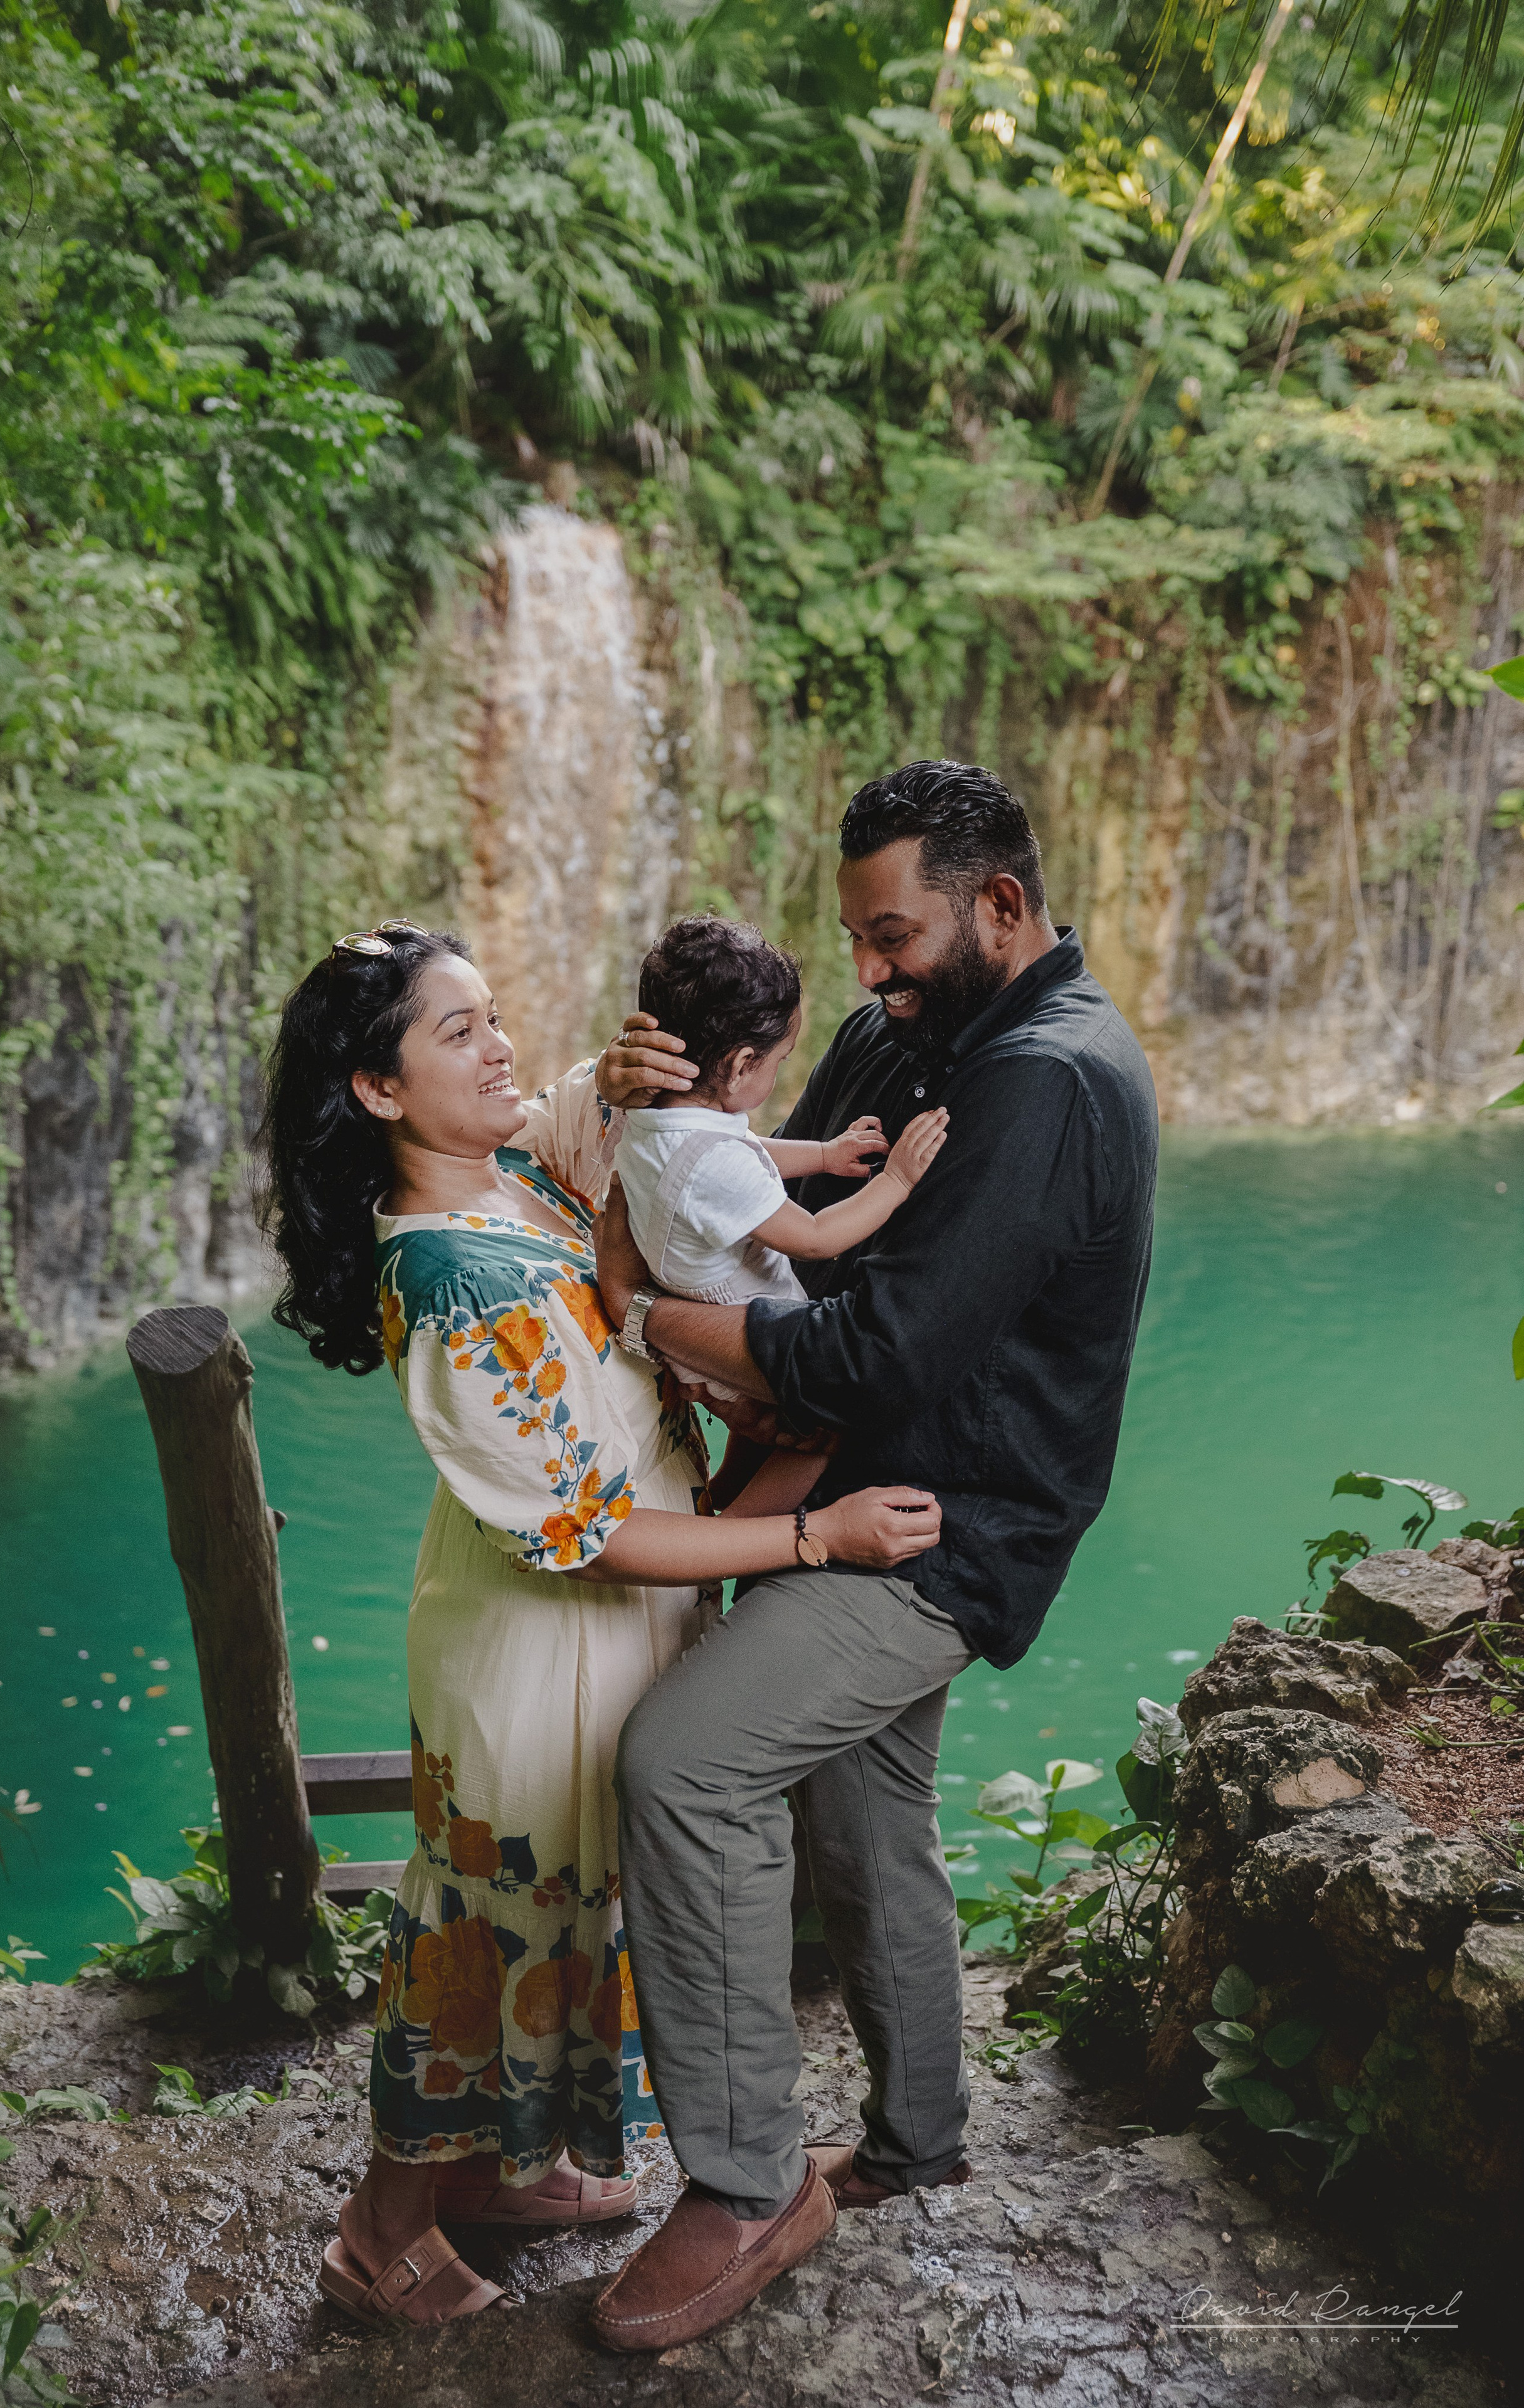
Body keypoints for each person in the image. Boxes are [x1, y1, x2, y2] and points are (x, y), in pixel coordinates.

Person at [259, 921, 941, 2328]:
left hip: (608, 1625)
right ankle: (379, 2233)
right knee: (493, 1924)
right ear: (378, 1091)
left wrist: (624, 1071)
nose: (498, 1047)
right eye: (457, 1033)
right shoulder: (450, 1278)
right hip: (537, 1642)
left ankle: (488, 2170)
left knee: (575, 1912)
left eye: (494, 1017)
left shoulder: (510, 1176)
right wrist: (813, 1535)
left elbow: (617, 1126)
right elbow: (585, 1532)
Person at [587, 761, 1160, 2356]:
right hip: (850, 1482)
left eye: (891, 933)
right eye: (852, 937)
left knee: (686, 1766)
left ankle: (747, 2184)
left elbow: (869, 1356)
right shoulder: (916, 1029)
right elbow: (738, 1177)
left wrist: (642, 1314)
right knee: (859, 1805)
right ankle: (914, 2140)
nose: (866, 968)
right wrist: (639, 1090)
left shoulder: (1048, 1079)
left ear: (999, 903)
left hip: (936, 1526)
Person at [616, 912, 946, 1472]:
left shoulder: (657, 1119)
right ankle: (743, 1518)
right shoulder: (712, 1164)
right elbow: (815, 1238)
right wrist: (897, 1181)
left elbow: (746, 1152)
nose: (780, 1069)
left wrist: (825, 1154)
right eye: (780, 1060)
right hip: (735, 1336)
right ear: (743, 1065)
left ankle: (724, 1491)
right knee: (817, 1441)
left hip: (697, 1317)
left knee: (758, 1447)